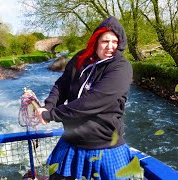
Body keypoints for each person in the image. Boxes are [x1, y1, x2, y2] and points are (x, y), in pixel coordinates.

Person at [36, 16, 133, 180]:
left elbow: (91, 102)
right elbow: (62, 84)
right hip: (71, 144)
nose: (110, 47)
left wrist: (52, 115)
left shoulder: (121, 68)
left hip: (105, 148)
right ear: (96, 41)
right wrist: (49, 106)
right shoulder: (81, 58)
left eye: (115, 42)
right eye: (105, 41)